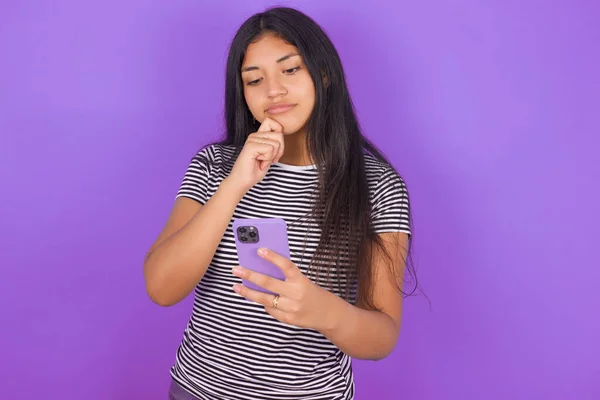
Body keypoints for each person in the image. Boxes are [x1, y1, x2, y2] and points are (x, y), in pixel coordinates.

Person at [144, 6, 417, 400]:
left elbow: (382, 336)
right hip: (198, 391)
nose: (273, 90)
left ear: (323, 75)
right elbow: (162, 287)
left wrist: (322, 310)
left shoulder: (378, 186)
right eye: (254, 80)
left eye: (290, 70)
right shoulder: (215, 165)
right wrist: (236, 182)